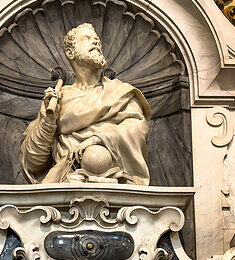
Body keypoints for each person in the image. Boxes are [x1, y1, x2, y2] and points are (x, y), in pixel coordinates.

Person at [21, 23, 151, 185]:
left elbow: (137, 130)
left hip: (114, 180)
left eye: (97, 40)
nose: (96, 43)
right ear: (70, 52)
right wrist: (49, 122)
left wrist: (97, 139)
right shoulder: (58, 99)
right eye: (87, 39)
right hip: (66, 180)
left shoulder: (119, 92)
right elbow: (34, 162)